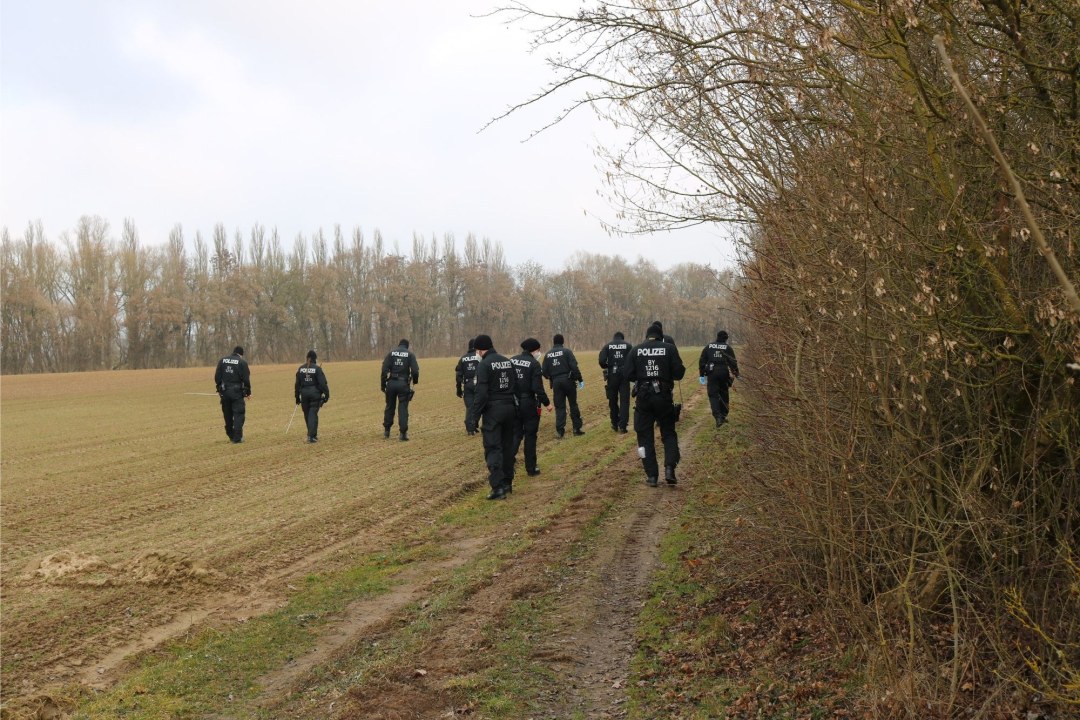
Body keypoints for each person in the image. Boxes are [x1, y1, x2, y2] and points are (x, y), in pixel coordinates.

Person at [628, 323, 686, 486]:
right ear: (661, 336)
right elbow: (679, 373)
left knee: (644, 437)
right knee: (668, 433)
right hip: (664, 397)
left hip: (643, 399)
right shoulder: (669, 348)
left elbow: (628, 374)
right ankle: (670, 468)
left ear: (646, 336)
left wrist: (642, 375)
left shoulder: (636, 350)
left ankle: (652, 476)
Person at [471, 334, 518, 499]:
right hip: (510, 409)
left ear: (479, 349)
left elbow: (481, 394)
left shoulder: (484, 365)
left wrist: (473, 417)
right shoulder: (507, 361)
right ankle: (507, 483)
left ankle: (497, 488)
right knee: (507, 447)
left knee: (493, 448)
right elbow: (516, 386)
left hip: (493, 411)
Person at [511, 337, 551, 477]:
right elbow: (537, 388)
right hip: (528, 403)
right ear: (534, 350)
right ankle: (531, 468)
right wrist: (547, 403)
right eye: (538, 350)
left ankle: (508, 463)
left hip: (513, 403)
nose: (539, 353)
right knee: (530, 436)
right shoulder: (534, 364)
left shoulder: (511, 360)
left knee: (515, 434)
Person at [541, 333, 584, 437]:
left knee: (560, 407)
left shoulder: (548, 354)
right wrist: (580, 379)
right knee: (573, 404)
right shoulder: (567, 352)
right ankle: (576, 429)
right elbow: (574, 366)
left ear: (554, 342)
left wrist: (551, 377)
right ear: (562, 341)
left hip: (556, 383)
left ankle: (560, 432)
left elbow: (544, 371)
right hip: (569, 381)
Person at [380, 338, 419, 441]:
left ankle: (387, 431)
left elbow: (384, 371)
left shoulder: (391, 353)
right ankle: (402, 434)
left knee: (389, 407)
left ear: (399, 345)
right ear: (407, 346)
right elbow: (415, 371)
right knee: (403, 409)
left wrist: (383, 385)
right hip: (403, 384)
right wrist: (414, 382)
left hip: (391, 383)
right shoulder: (410, 355)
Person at [699, 330, 739, 427]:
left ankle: (718, 417)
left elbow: (702, 361)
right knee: (723, 394)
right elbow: (732, 362)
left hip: (712, 373)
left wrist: (702, 374)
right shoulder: (728, 348)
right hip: (723, 372)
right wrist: (736, 373)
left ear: (717, 337)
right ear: (726, 338)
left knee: (713, 395)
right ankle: (723, 415)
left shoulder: (709, 347)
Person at [214, 345, 251, 444]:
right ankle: (237, 438)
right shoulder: (242, 362)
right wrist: (248, 392)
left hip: (224, 392)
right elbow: (246, 379)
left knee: (227, 414)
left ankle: (230, 435)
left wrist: (219, 389)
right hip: (236, 393)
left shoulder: (222, 360)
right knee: (239, 414)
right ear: (241, 354)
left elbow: (217, 376)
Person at [599, 331, 632, 433]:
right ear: (622, 338)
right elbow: (634, 360)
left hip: (612, 375)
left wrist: (608, 366)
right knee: (624, 400)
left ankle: (614, 423)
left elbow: (601, 361)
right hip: (624, 374)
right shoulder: (628, 346)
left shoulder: (607, 346)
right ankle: (623, 426)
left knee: (612, 399)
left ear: (614, 338)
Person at [295, 349, 330, 443]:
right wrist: (327, 395)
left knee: (307, 415)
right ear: (315, 359)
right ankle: (311, 436)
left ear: (307, 358)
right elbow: (323, 383)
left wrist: (297, 397)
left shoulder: (300, 368)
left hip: (304, 394)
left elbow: (297, 384)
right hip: (315, 394)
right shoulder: (317, 369)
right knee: (312, 414)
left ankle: (311, 434)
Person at [454, 338, 481, 435]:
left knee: (470, 407)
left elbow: (458, 375)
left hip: (467, 384)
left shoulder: (463, 358)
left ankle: (470, 428)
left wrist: (458, 389)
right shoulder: (480, 357)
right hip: (479, 384)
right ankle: (474, 424)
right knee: (480, 405)